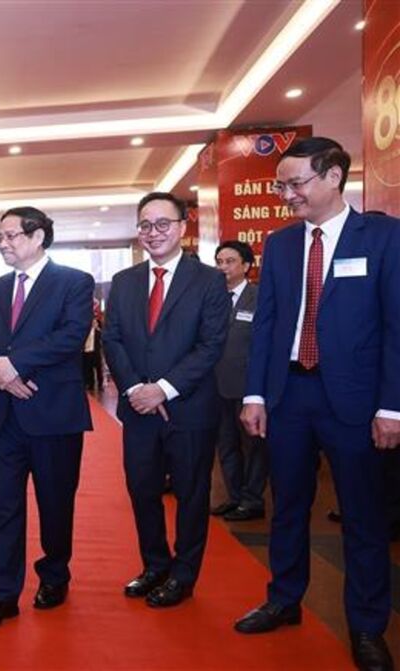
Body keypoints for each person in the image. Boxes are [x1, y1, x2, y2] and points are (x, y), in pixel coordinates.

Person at [234, 137, 399, 671]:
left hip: (355, 400)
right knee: (287, 506)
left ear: (333, 177)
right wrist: (255, 393)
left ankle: (367, 626)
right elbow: (265, 325)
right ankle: (284, 598)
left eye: (295, 183)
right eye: (281, 186)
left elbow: (396, 328)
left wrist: (392, 406)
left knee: (363, 516)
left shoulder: (384, 238)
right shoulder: (281, 244)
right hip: (289, 394)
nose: (287, 195)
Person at [0, 207, 94, 631]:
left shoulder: (74, 282)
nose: (2, 243)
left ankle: (54, 575)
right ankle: (1, 595)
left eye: (10, 236)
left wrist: (13, 365)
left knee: (56, 504)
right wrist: (1, 372)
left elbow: (71, 336)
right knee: (3, 508)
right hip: (2, 417)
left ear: (38, 237)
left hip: (53, 413)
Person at [102, 192, 230, 608]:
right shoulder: (124, 281)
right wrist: (135, 389)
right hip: (138, 409)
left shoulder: (208, 280)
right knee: (142, 490)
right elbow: (112, 339)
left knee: (191, 495)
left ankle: (184, 575)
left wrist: (164, 388)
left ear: (182, 226)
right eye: (145, 225)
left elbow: (211, 345)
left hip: (189, 408)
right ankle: (155, 565)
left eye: (162, 224)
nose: (153, 233)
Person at [210, 240, 268, 522]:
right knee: (226, 445)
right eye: (219, 262)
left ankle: (252, 499)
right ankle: (234, 497)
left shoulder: (260, 297)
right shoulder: (212, 298)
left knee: (255, 447)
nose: (223, 267)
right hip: (216, 386)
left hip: (248, 387)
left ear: (246, 266)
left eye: (230, 261)